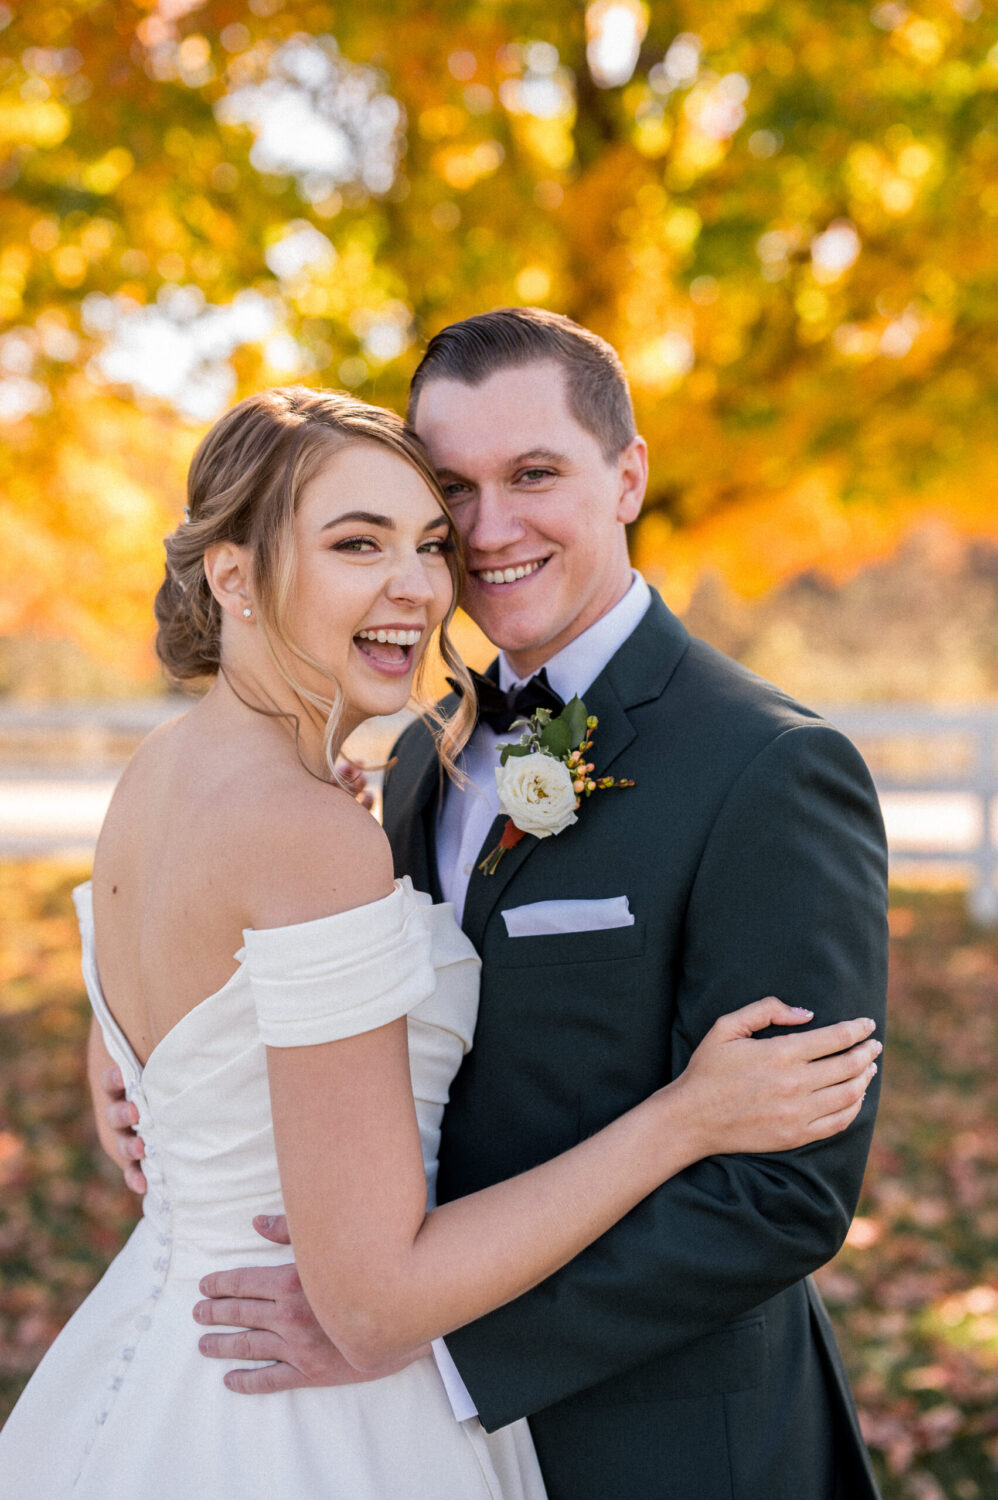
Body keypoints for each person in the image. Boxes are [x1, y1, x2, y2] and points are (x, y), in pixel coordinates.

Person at [0, 386, 880, 1499]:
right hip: (318, 1400)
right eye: (361, 541)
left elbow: (791, 1190)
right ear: (232, 575)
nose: (425, 577)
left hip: (200, 1366)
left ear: (627, 476)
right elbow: (368, 1297)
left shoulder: (176, 770)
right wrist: (687, 1115)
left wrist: (141, 1065)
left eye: (425, 539)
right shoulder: (342, 806)